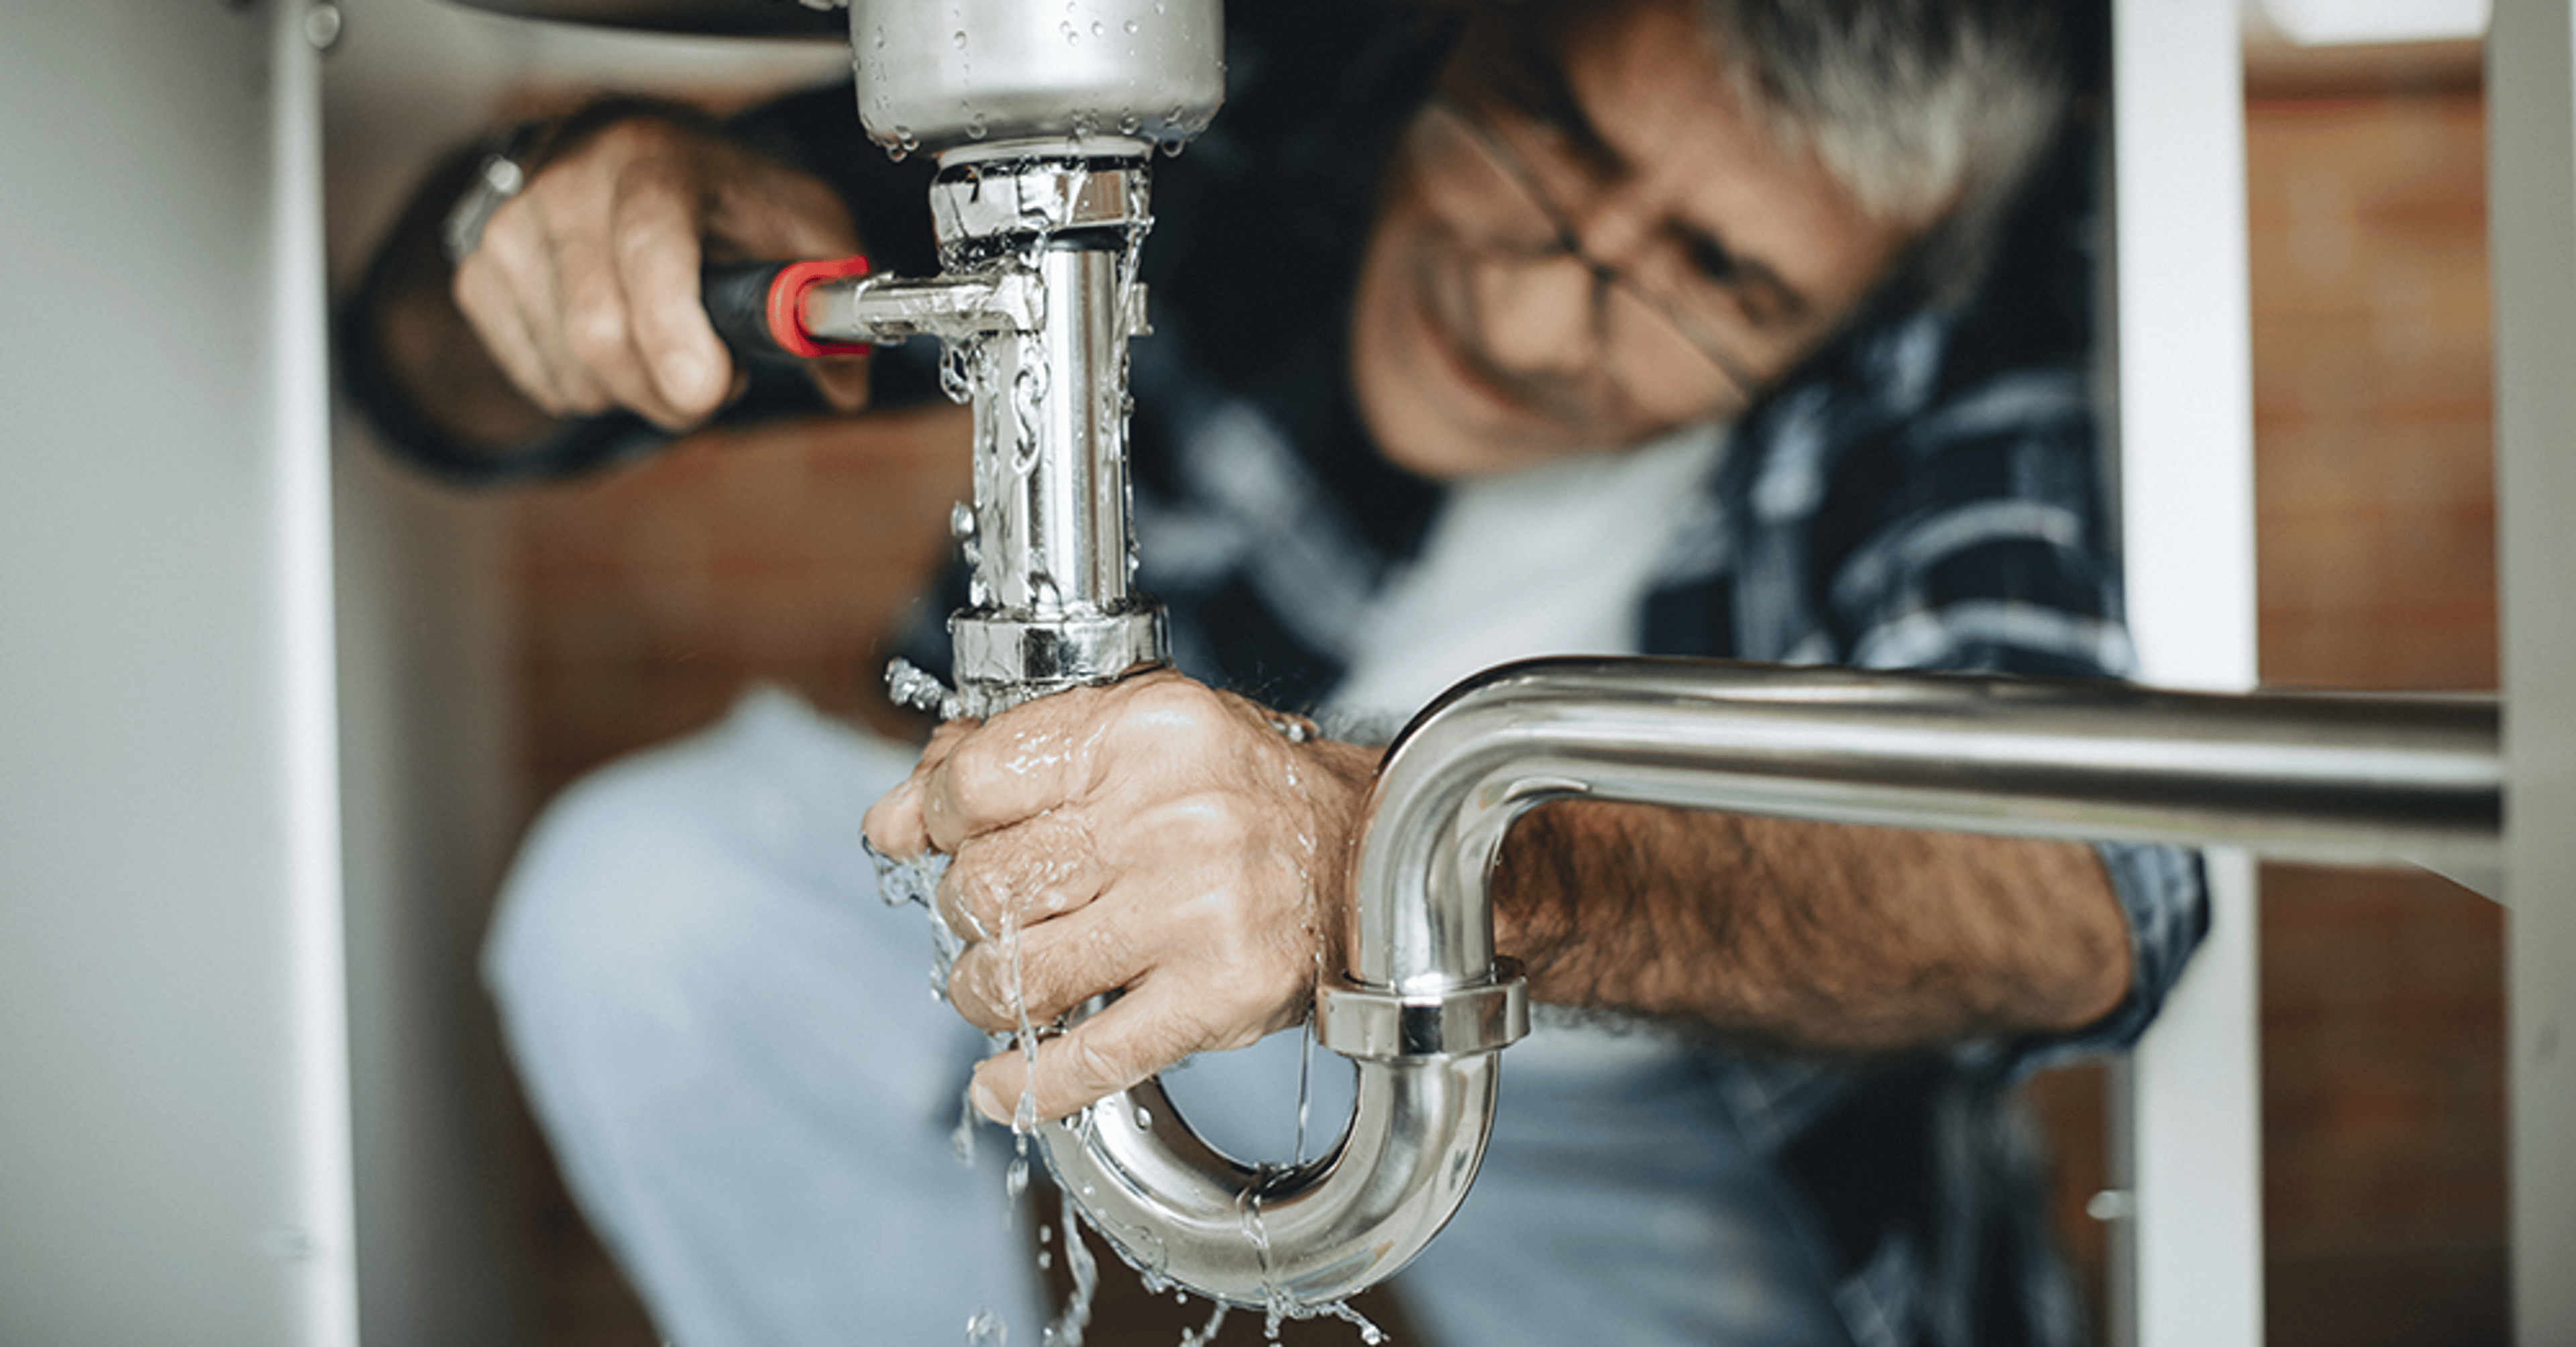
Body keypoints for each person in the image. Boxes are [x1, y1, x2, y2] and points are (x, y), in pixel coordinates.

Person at [344, 1, 2207, 1344]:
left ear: (1854, 316)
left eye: (1713, 278)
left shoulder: (1983, 309)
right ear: (1467, 37)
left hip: (1658, 1093)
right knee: (651, 909)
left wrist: (1410, 862)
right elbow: (430, 389)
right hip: (1121, 921)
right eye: (1548, 132)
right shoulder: (1259, 72)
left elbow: (2079, 897)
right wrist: (563, 215)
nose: (1531, 306)